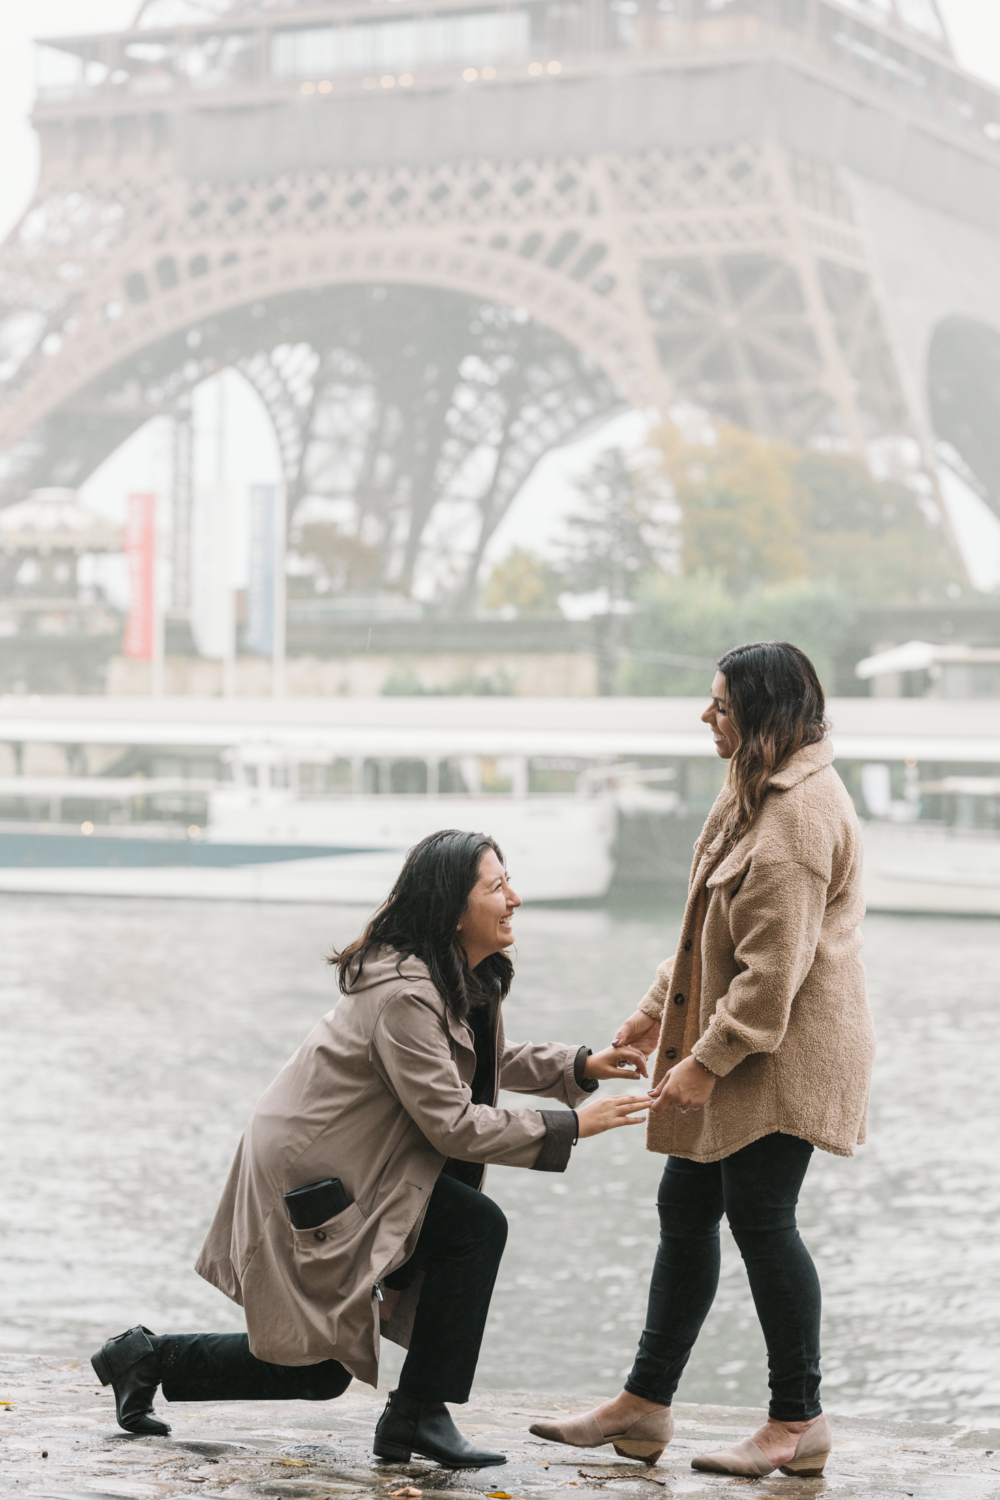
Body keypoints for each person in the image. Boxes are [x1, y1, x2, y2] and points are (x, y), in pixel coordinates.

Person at [92, 829, 650, 1468]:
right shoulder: (405, 993)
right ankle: (417, 1415)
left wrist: (582, 1066)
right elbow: (453, 1123)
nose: (514, 898)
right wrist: (574, 1124)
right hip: (320, 1169)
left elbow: (475, 1063)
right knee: (471, 1229)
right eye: (496, 887)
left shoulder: (449, 977)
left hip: (361, 1158)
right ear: (451, 908)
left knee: (322, 1368)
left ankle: (147, 1359)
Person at [530, 641, 876, 1477]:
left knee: (764, 1221)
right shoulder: (751, 791)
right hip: (751, 1042)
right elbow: (706, 935)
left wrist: (706, 1062)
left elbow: (769, 979)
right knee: (686, 1208)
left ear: (761, 713)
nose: (705, 715)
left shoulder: (795, 819)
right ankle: (644, 1406)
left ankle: (797, 1422)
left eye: (720, 704)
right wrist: (654, 1017)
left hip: (782, 1056)